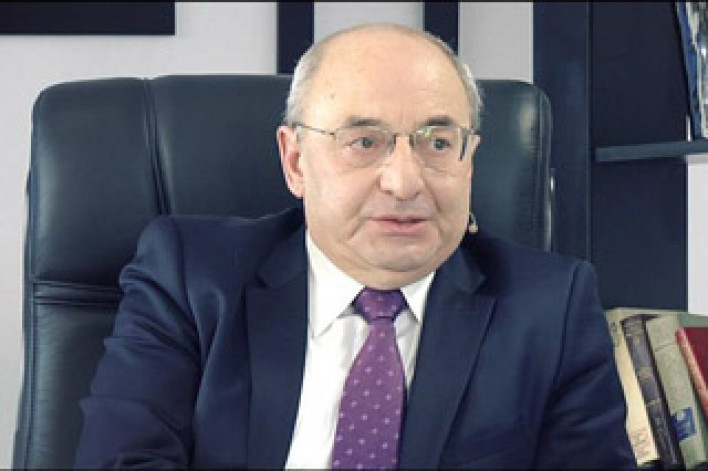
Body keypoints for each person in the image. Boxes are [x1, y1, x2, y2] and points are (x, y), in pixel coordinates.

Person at [74, 23, 635, 469]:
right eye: (364, 141)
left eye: (439, 143)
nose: (405, 182)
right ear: (296, 161)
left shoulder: (551, 308)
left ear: (470, 159)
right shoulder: (190, 277)